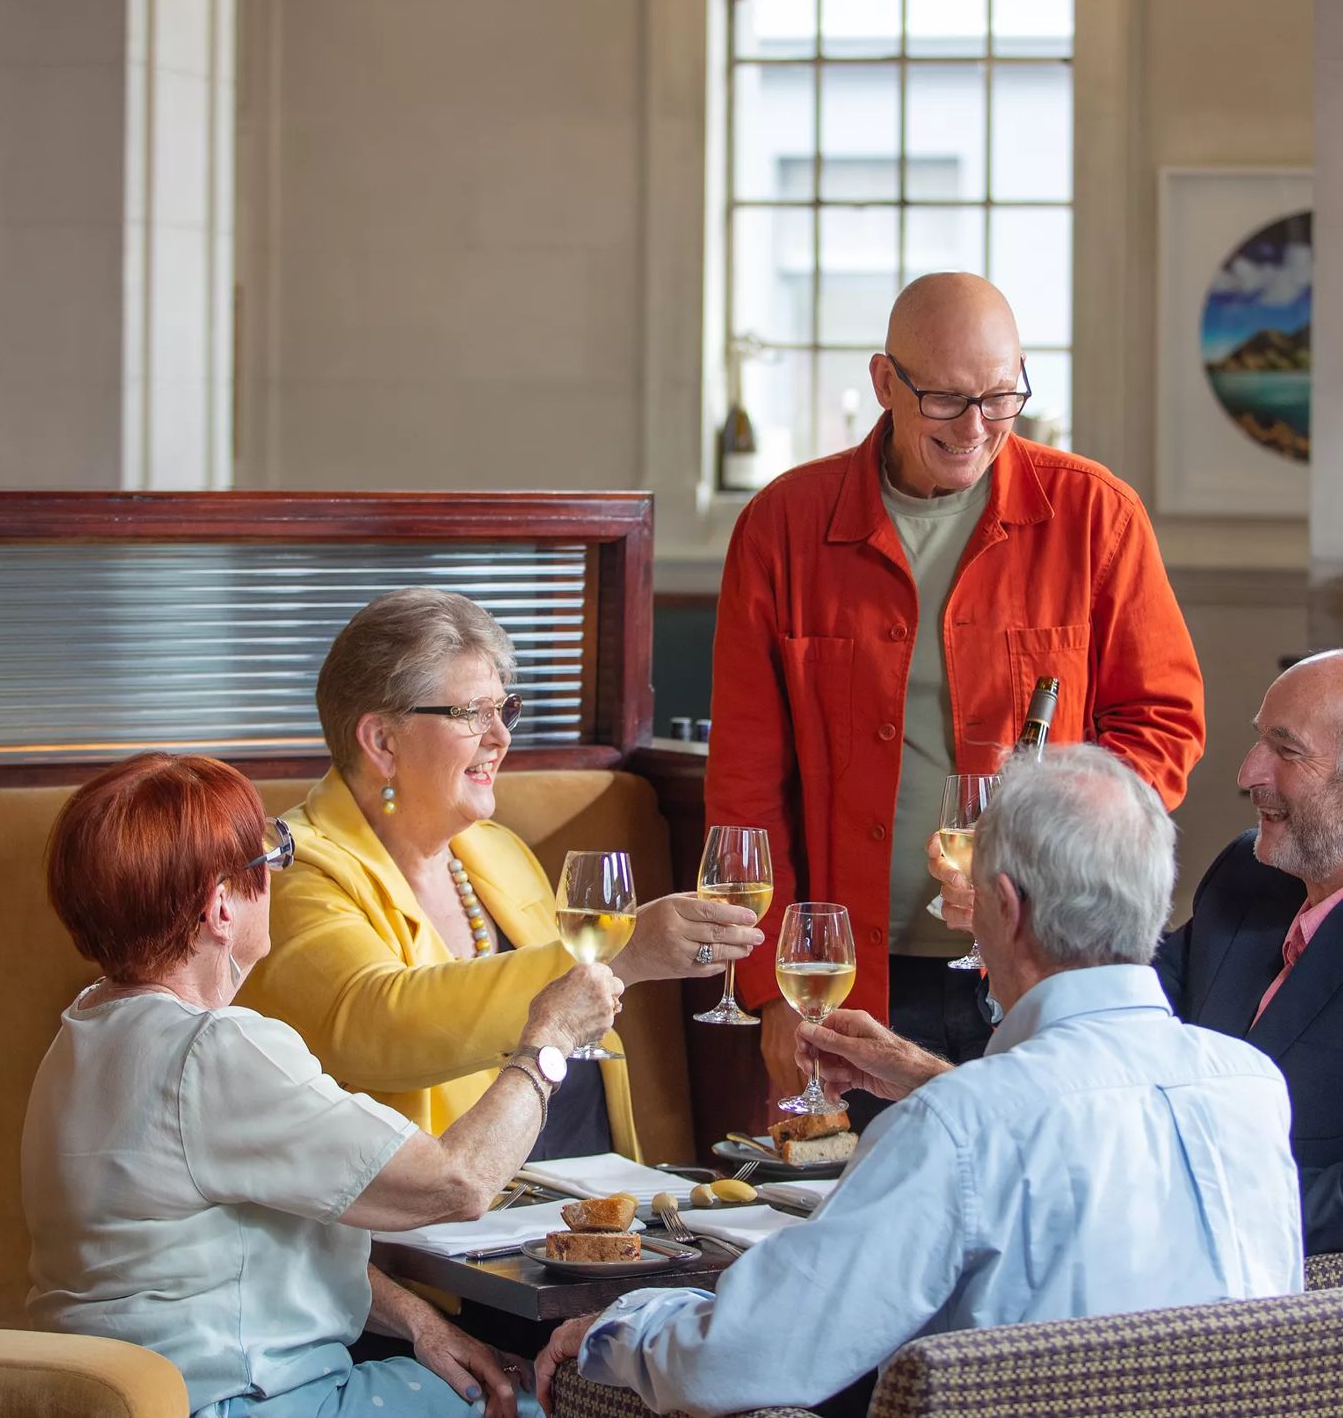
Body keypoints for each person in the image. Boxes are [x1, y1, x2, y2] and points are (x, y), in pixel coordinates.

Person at [534, 747, 1301, 1418]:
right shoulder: (1249, 1086)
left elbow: (733, 1360)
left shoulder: (961, 1127)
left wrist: (615, 1326)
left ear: (1006, 908)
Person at [706, 271, 1204, 1115]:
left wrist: (1050, 857)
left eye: (1001, 396)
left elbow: (1163, 725)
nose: (977, 428)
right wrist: (775, 991)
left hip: (1046, 959)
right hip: (853, 980)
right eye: (945, 400)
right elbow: (748, 785)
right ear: (884, 382)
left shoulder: (1097, 516)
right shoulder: (782, 527)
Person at [23, 752, 622, 1418]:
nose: (276, 878)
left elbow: (265, 1241)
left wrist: (419, 1321)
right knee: (559, 1403)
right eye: (267, 863)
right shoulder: (215, 1051)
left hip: (140, 1397)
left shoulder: (85, 1029)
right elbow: (459, 1183)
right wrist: (550, 1041)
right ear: (221, 907)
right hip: (241, 1402)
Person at [243, 588, 761, 1155]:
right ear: (382, 740)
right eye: (472, 714)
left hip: (587, 1204)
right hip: (438, 1222)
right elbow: (376, 1024)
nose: (501, 738)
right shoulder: (294, 870)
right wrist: (626, 951)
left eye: (503, 709)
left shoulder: (497, 852)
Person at [1154, 650, 1343, 1254]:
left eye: (1285, 751)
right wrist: (1019, 926)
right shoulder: (1248, 874)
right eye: (1259, 742)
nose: (1247, 773)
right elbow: (1125, 1015)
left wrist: (1149, 1192)